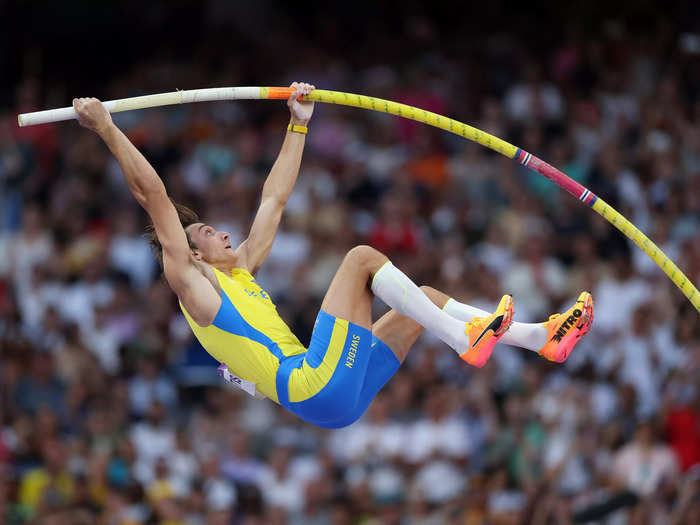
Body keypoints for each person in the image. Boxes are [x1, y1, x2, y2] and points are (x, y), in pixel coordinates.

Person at [71, 83, 593, 429]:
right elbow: (153, 196)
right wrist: (108, 129)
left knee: (423, 301)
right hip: (313, 382)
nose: (223, 233)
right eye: (207, 232)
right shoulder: (195, 287)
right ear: (192, 253)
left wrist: (298, 122)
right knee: (362, 259)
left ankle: (538, 338)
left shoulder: (244, 270)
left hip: (333, 399)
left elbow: (273, 199)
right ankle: (463, 340)